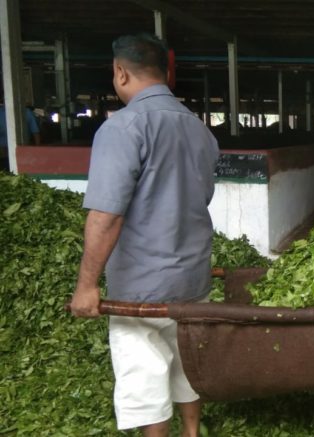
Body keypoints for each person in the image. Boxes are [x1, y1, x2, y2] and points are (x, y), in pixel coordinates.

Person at [69, 33, 219, 437]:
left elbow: (106, 215)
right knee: (185, 359)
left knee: (145, 372)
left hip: (140, 286)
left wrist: (86, 286)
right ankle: (191, 433)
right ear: (166, 72)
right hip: (192, 275)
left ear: (120, 72)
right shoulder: (199, 129)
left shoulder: (123, 128)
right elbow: (200, 198)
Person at [1, 94, 41, 171]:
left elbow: (36, 132)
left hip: (21, 150)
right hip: (5, 151)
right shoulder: (26, 112)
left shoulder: (26, 112)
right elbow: (35, 132)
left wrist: (37, 151)